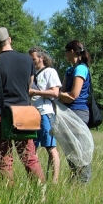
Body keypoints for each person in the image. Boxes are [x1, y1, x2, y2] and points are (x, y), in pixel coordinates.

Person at [0, 27, 45, 185]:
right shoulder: (27, 60)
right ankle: (42, 192)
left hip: (0, 114)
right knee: (29, 157)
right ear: (9, 40)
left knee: (4, 159)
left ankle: (8, 194)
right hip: (23, 115)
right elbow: (29, 88)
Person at [58, 39, 93, 183]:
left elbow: (73, 95)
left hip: (78, 112)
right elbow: (62, 92)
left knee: (80, 151)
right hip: (67, 113)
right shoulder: (70, 70)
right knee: (70, 152)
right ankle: (74, 181)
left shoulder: (81, 69)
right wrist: (59, 94)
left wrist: (56, 94)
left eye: (66, 51)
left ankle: (83, 182)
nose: (65, 54)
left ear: (72, 51)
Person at [28, 46, 62, 183]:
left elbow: (55, 93)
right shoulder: (31, 74)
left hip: (45, 113)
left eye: (33, 59)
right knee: (32, 149)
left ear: (41, 58)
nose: (32, 62)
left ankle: (54, 181)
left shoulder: (50, 72)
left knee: (51, 147)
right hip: (32, 115)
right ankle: (37, 180)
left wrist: (35, 92)